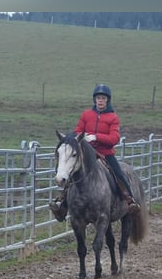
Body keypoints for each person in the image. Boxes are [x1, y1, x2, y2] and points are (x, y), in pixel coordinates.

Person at [49, 83, 140, 222]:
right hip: (87, 153)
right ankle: (62, 203)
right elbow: (79, 130)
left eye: (103, 98)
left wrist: (96, 137)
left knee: (118, 172)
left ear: (107, 100)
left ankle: (129, 200)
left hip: (105, 153)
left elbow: (114, 138)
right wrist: (79, 136)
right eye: (98, 98)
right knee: (74, 173)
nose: (100, 100)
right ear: (95, 100)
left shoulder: (113, 118)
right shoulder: (87, 115)